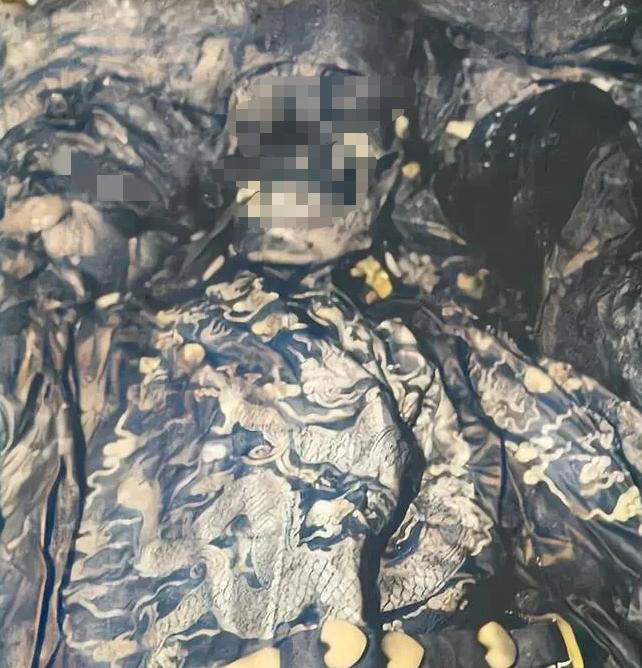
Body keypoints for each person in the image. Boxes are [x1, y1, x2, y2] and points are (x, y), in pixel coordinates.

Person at [1, 1, 641, 667]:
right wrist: (76, 208)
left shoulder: (438, 344)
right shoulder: (119, 314)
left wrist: (514, 651)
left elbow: (601, 542)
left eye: (339, 125)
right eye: (278, 119)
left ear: (384, 169)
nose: (303, 151)